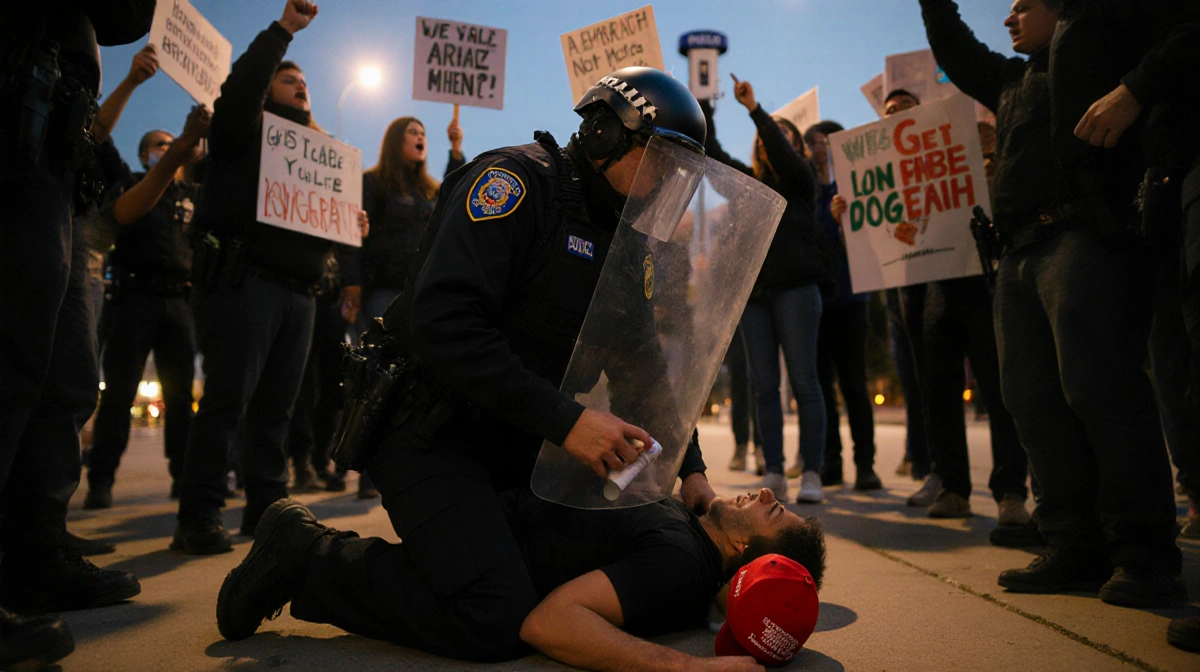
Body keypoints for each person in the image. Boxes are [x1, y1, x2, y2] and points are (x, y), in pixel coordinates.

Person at [219, 65, 718, 662]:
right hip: (429, 430)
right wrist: (568, 422)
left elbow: (642, 367)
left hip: (516, 444)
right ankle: (305, 555)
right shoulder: (514, 184)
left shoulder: (622, 239)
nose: (670, 184)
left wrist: (690, 467)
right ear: (609, 133)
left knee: (547, 582)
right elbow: (443, 324)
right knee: (497, 614)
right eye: (663, 162)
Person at [992, 0, 1200, 606]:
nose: (1009, 16)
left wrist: (1133, 89)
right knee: (1032, 400)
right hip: (1020, 249)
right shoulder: (1016, 80)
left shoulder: (1104, 18)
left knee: (1101, 393)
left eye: (1023, 5)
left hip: (1087, 232)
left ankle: (1142, 555)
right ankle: (1072, 545)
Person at [218, 488, 825, 671]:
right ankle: (310, 553)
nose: (767, 491)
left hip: (481, 514)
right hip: (477, 524)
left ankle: (311, 551)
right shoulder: (682, 562)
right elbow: (551, 622)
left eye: (772, 510)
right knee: (496, 626)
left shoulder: (682, 549)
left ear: (745, 549)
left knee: (493, 608)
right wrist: (688, 669)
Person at [172, 0, 368, 554]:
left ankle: (267, 509)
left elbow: (318, 224)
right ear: (267, 87)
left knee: (278, 409)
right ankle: (200, 513)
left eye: (305, 81)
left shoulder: (318, 154)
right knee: (228, 398)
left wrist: (347, 223)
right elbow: (238, 92)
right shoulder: (245, 130)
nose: (300, 85)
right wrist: (283, 33)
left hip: (299, 294)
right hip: (243, 281)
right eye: (289, 79)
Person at [0, 2, 155, 668]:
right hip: (19, 113)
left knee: (63, 374)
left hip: (57, 152)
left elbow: (123, 16)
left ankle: (37, 551)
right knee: (9, 356)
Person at [701, 75, 833, 504]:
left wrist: (757, 113)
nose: (766, 145)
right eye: (760, 141)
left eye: (778, 138)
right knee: (764, 386)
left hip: (797, 289)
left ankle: (811, 470)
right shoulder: (749, 188)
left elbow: (781, 151)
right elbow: (715, 157)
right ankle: (774, 470)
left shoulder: (801, 181)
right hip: (755, 297)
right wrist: (704, 107)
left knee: (804, 381)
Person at [84, 109, 210, 509]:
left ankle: (182, 475)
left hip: (179, 303)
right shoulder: (132, 184)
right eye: (160, 143)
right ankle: (101, 481)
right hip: (134, 301)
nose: (170, 148)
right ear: (143, 156)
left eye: (173, 142)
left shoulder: (194, 196)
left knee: (180, 398)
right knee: (119, 394)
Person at [804, 119, 880, 491]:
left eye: (825, 142)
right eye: (812, 143)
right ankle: (830, 462)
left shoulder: (852, 189)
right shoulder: (807, 191)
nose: (819, 149)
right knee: (821, 384)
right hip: (817, 301)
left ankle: (865, 463)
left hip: (851, 298)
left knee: (853, 383)